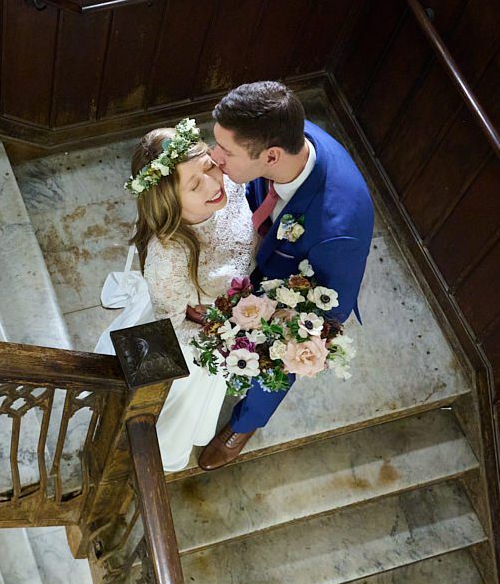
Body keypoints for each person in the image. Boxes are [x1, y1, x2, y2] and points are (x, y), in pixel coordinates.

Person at [198, 81, 374, 470]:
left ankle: (246, 424)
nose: (214, 157)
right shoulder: (287, 134)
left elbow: (322, 320)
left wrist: (280, 328)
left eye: (225, 151)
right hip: (262, 243)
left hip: (296, 289)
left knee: (283, 356)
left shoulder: (338, 230)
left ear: (272, 156)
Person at [99, 117, 256, 471]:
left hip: (232, 312)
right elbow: (174, 327)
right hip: (199, 336)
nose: (213, 185)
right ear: (170, 202)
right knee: (178, 406)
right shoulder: (167, 258)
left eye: (209, 168)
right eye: (194, 185)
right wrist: (229, 330)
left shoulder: (229, 184)